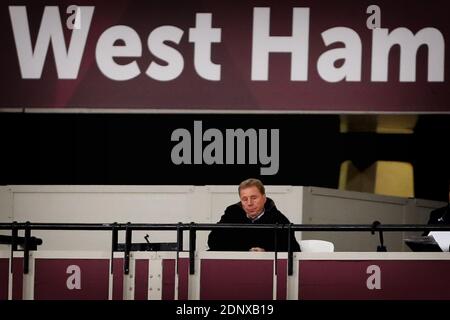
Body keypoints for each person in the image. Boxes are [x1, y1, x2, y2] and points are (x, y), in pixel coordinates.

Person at [207, 178, 300, 252]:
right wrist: (246, 251)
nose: (249, 203)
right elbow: (213, 241)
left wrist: (267, 253)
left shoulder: (279, 219)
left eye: (254, 198)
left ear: (264, 198)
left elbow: (294, 249)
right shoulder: (231, 213)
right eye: (244, 199)